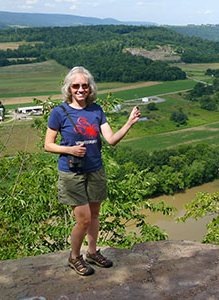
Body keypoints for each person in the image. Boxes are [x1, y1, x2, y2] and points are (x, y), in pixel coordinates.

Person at [44, 66, 140, 276]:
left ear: (90, 88)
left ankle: (92, 252)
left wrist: (129, 123)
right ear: (69, 88)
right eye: (76, 85)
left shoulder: (96, 110)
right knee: (84, 219)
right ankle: (74, 256)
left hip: (95, 169)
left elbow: (111, 140)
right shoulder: (59, 112)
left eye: (84, 86)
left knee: (95, 214)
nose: (80, 89)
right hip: (72, 172)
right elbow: (48, 145)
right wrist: (69, 149)